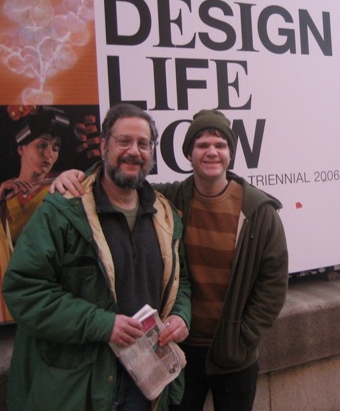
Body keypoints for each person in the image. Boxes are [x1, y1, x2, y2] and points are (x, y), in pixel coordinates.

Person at [52, 109, 289, 411]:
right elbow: (117, 181)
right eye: (202, 145)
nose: (211, 152)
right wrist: (77, 176)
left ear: (231, 152)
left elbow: (273, 284)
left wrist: (242, 338)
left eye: (220, 144)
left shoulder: (259, 211)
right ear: (189, 153)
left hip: (234, 355)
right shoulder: (167, 201)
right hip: (178, 350)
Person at [3, 103, 191, 411]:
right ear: (103, 145)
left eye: (143, 144)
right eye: (123, 141)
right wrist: (102, 324)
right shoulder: (63, 209)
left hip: (145, 388)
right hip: (78, 389)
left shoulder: (166, 216)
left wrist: (180, 316)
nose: (134, 151)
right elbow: (24, 289)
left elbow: (180, 280)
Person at [0, 106, 69, 324]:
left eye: (55, 147)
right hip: (4, 298)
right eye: (42, 145)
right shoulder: (2, 195)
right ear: (21, 148)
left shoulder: (64, 188)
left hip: (46, 293)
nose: (49, 154)